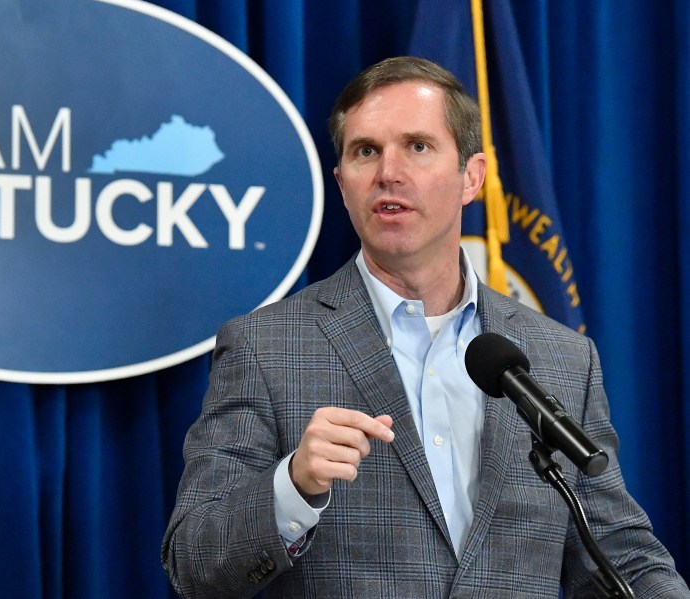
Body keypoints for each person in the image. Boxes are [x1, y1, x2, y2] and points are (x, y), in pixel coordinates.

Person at [161, 56, 689, 598]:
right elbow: (193, 563)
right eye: (366, 151)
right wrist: (293, 486)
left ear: (471, 177)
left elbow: (619, 553)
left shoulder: (562, 359)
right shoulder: (266, 348)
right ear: (343, 185)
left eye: (417, 146)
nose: (389, 172)